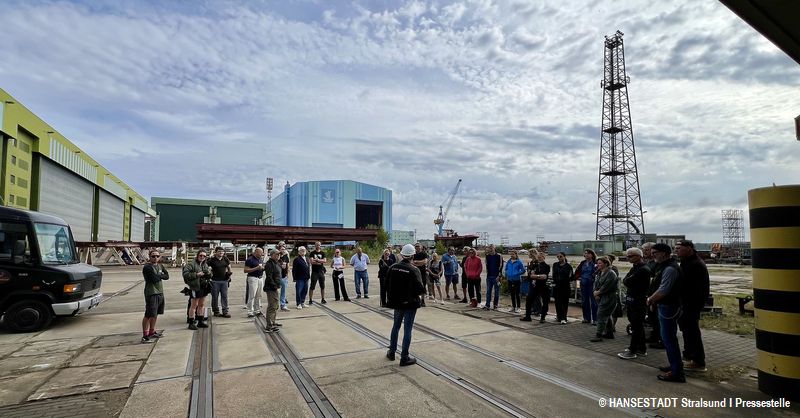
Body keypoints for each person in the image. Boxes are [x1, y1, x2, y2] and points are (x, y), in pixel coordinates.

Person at [647, 243, 685, 383]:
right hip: (665, 305)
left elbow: (663, 290)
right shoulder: (663, 266)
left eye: (654, 253)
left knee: (669, 339)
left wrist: (650, 300)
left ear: (663, 253)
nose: (652, 255)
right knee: (668, 338)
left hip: (668, 307)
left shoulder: (670, 268)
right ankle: (674, 365)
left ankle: (677, 372)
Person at [385, 244, 426, 366]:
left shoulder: (393, 267)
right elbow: (420, 289)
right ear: (413, 256)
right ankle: (404, 357)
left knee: (396, 326)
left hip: (397, 303)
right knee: (407, 329)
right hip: (410, 303)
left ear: (402, 255)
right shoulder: (414, 270)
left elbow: (386, 284)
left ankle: (392, 352)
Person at [676, 240, 709, 372]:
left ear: (689, 248)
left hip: (692, 303)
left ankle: (698, 361)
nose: (676, 250)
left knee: (692, 331)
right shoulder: (687, 261)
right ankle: (689, 356)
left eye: (679, 248)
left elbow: (692, 287)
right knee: (686, 330)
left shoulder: (695, 264)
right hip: (686, 302)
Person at [618, 247, 650, 359]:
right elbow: (626, 280)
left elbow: (628, 281)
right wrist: (628, 280)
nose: (628, 258)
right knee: (636, 325)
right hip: (632, 300)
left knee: (637, 326)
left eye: (630, 256)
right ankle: (641, 348)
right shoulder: (635, 268)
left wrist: (628, 280)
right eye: (627, 256)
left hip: (639, 301)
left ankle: (633, 350)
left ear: (639, 256)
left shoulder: (643, 269)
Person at [141, 250, 169, 343]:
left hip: (160, 292)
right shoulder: (147, 267)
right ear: (149, 257)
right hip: (151, 293)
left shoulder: (160, 266)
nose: (155, 258)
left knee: (155, 313)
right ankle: (145, 334)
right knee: (148, 314)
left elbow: (167, 276)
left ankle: (152, 331)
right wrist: (160, 276)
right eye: (153, 256)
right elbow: (154, 279)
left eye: (157, 256)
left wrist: (159, 276)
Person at [590, 257, 618, 342]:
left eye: (600, 263)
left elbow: (607, 285)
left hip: (609, 297)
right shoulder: (599, 272)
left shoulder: (611, 273)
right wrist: (595, 292)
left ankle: (599, 335)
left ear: (605, 264)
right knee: (606, 315)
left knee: (601, 314)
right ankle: (609, 333)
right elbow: (596, 283)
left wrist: (598, 292)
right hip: (601, 296)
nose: (597, 265)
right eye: (597, 263)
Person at [183, 250, 212, 330]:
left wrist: (209, 273)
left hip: (203, 286)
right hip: (195, 287)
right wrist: (196, 275)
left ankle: (200, 321)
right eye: (201, 255)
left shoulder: (205, 264)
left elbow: (209, 274)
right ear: (197, 255)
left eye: (204, 256)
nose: (202, 257)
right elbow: (185, 274)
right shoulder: (191, 264)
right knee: (194, 305)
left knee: (201, 304)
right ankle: (191, 322)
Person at [641, 242, 662, 348]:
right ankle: (654, 336)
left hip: (655, 294)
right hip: (648, 293)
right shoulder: (648, 262)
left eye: (646, 250)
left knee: (657, 318)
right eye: (643, 250)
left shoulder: (656, 263)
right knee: (652, 318)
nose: (644, 252)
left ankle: (660, 338)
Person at [522, 253, 551, 323]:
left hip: (543, 286)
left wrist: (536, 276)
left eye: (541, 257)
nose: (539, 258)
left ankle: (543, 317)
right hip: (535, 286)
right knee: (529, 300)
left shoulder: (546, 266)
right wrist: (538, 276)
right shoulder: (535, 265)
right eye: (538, 257)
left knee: (545, 302)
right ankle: (528, 316)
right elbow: (531, 275)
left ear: (544, 257)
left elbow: (544, 276)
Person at [207, 246, 232, 318]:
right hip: (215, 281)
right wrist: (209, 274)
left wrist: (229, 274)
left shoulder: (225, 259)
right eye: (219, 251)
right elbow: (207, 268)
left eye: (222, 251)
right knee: (215, 297)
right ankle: (216, 311)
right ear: (216, 252)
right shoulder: (212, 260)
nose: (221, 252)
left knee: (224, 296)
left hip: (224, 281)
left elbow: (229, 266)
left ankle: (225, 311)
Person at [575, 249, 598, 324]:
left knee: (594, 302)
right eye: (585, 253)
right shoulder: (583, 263)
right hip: (583, 284)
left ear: (592, 254)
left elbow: (598, 272)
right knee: (584, 301)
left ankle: (595, 319)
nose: (586, 255)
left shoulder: (595, 263)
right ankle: (586, 318)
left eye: (588, 253)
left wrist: (592, 278)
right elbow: (578, 271)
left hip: (592, 284)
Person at [262, 249, 282, 333]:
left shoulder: (277, 263)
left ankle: (273, 322)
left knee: (276, 305)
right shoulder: (269, 264)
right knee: (272, 306)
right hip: (271, 288)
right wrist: (274, 286)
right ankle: (269, 326)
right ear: (272, 255)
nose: (278, 256)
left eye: (279, 254)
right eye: (277, 254)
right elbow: (269, 277)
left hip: (275, 287)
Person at [551, 252, 574, 324]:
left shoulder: (568, 266)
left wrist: (565, 280)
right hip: (557, 286)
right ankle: (559, 316)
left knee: (564, 303)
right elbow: (554, 275)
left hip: (565, 286)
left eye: (560, 256)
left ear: (564, 256)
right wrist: (555, 282)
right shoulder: (555, 265)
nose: (559, 258)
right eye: (558, 257)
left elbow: (571, 277)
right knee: (557, 302)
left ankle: (564, 318)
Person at [243, 248, 265, 318]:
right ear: (256, 252)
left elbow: (261, 267)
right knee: (252, 295)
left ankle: (257, 310)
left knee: (259, 295)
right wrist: (256, 268)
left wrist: (263, 268)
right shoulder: (250, 259)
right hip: (252, 278)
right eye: (261, 253)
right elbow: (245, 270)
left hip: (260, 277)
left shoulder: (260, 259)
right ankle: (250, 311)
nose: (262, 254)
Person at [484, 244, 503, 310]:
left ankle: (495, 305)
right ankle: (487, 305)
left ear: (494, 248)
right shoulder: (487, 256)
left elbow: (501, 266)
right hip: (489, 276)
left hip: (496, 276)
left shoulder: (499, 256)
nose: (490, 249)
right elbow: (487, 265)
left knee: (496, 291)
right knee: (488, 291)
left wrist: (499, 276)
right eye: (489, 248)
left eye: (491, 248)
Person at [278, 243, 291, 311]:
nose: (283, 250)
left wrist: (287, 273)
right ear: (279, 249)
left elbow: (288, 265)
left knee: (283, 291)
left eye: (284, 249)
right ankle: (276, 304)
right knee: (276, 291)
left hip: (284, 276)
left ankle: (283, 305)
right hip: (278, 276)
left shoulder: (286, 256)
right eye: (282, 249)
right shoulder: (277, 256)